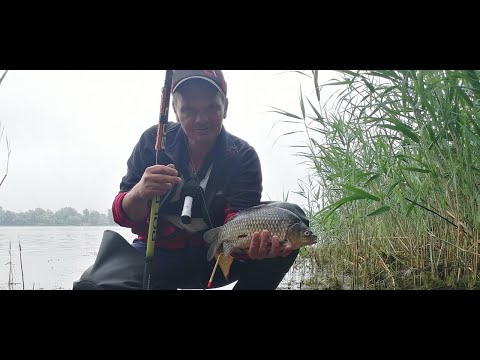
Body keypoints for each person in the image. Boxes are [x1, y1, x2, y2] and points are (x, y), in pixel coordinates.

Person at [80, 70, 308, 290]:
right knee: (95, 282)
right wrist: (139, 192)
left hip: (217, 259)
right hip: (156, 257)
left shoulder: (242, 156)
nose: (201, 119)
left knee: (291, 217)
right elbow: (122, 215)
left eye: (211, 108)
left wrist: (252, 248)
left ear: (225, 107)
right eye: (189, 109)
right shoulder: (154, 141)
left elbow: (239, 220)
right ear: (175, 110)